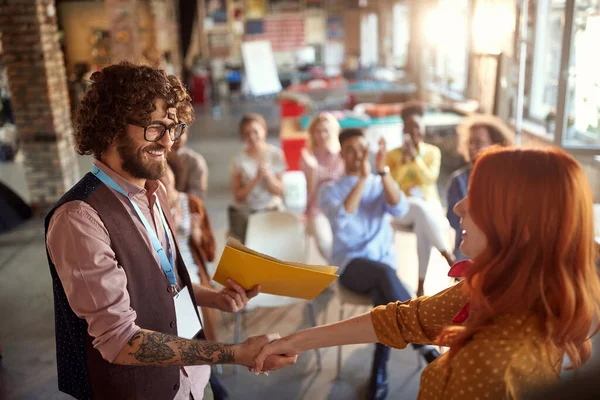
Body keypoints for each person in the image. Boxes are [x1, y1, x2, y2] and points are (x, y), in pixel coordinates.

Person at [255, 146, 600, 400]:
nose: (458, 206)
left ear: (520, 226)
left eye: (478, 197)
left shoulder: (491, 365)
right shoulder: (508, 289)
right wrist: (293, 341)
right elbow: (404, 319)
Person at [45, 62, 296, 399]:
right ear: (110, 128)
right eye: (154, 127)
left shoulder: (156, 191)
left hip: (192, 378)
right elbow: (120, 340)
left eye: (173, 127)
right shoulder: (79, 218)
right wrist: (233, 353)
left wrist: (214, 297)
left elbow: (162, 284)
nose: (167, 141)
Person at [318, 128, 439, 400]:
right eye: (351, 149)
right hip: (350, 266)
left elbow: (399, 209)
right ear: (341, 154)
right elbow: (342, 218)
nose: (359, 154)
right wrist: (362, 179)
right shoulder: (330, 190)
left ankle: (378, 374)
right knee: (385, 276)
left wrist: (382, 173)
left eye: (363, 148)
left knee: (387, 303)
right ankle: (423, 340)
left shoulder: (380, 181)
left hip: (383, 271)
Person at [160, 165, 230, 400]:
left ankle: (211, 382)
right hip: (166, 277)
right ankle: (210, 383)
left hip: (190, 271)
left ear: (174, 176)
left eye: (167, 174)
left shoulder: (190, 204)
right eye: (158, 177)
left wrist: (198, 235)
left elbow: (210, 252)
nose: (164, 180)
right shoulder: (150, 207)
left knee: (191, 331)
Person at [386, 100, 454, 296]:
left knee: (424, 221)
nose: (414, 132)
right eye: (409, 128)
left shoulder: (433, 152)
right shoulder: (392, 155)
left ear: (423, 128)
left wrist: (415, 159)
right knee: (418, 207)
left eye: (417, 127)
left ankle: (421, 286)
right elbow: (392, 184)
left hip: (429, 206)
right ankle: (447, 255)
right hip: (402, 209)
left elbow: (430, 178)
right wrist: (405, 161)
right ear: (403, 130)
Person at [447, 115, 514, 261]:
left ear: (498, 146)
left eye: (478, 142)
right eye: (470, 142)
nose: (472, 148)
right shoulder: (458, 180)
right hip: (467, 254)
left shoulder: (509, 181)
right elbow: (453, 220)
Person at [229, 113, 286, 243]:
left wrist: (267, 177)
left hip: (271, 209)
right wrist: (255, 179)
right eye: (247, 133)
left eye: (255, 131)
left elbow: (280, 191)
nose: (252, 137)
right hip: (248, 213)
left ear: (264, 131)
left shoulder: (276, 154)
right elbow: (238, 196)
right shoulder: (238, 159)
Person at [300, 112, 344, 262]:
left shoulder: (342, 155)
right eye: (317, 131)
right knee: (325, 242)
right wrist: (313, 170)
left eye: (325, 131)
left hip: (340, 206)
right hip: (317, 208)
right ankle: (340, 271)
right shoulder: (308, 156)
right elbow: (310, 191)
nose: (321, 135)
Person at [168, 125, 209, 199]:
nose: (179, 137)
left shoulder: (194, 161)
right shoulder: (158, 158)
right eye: (175, 132)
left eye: (183, 132)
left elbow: (197, 194)